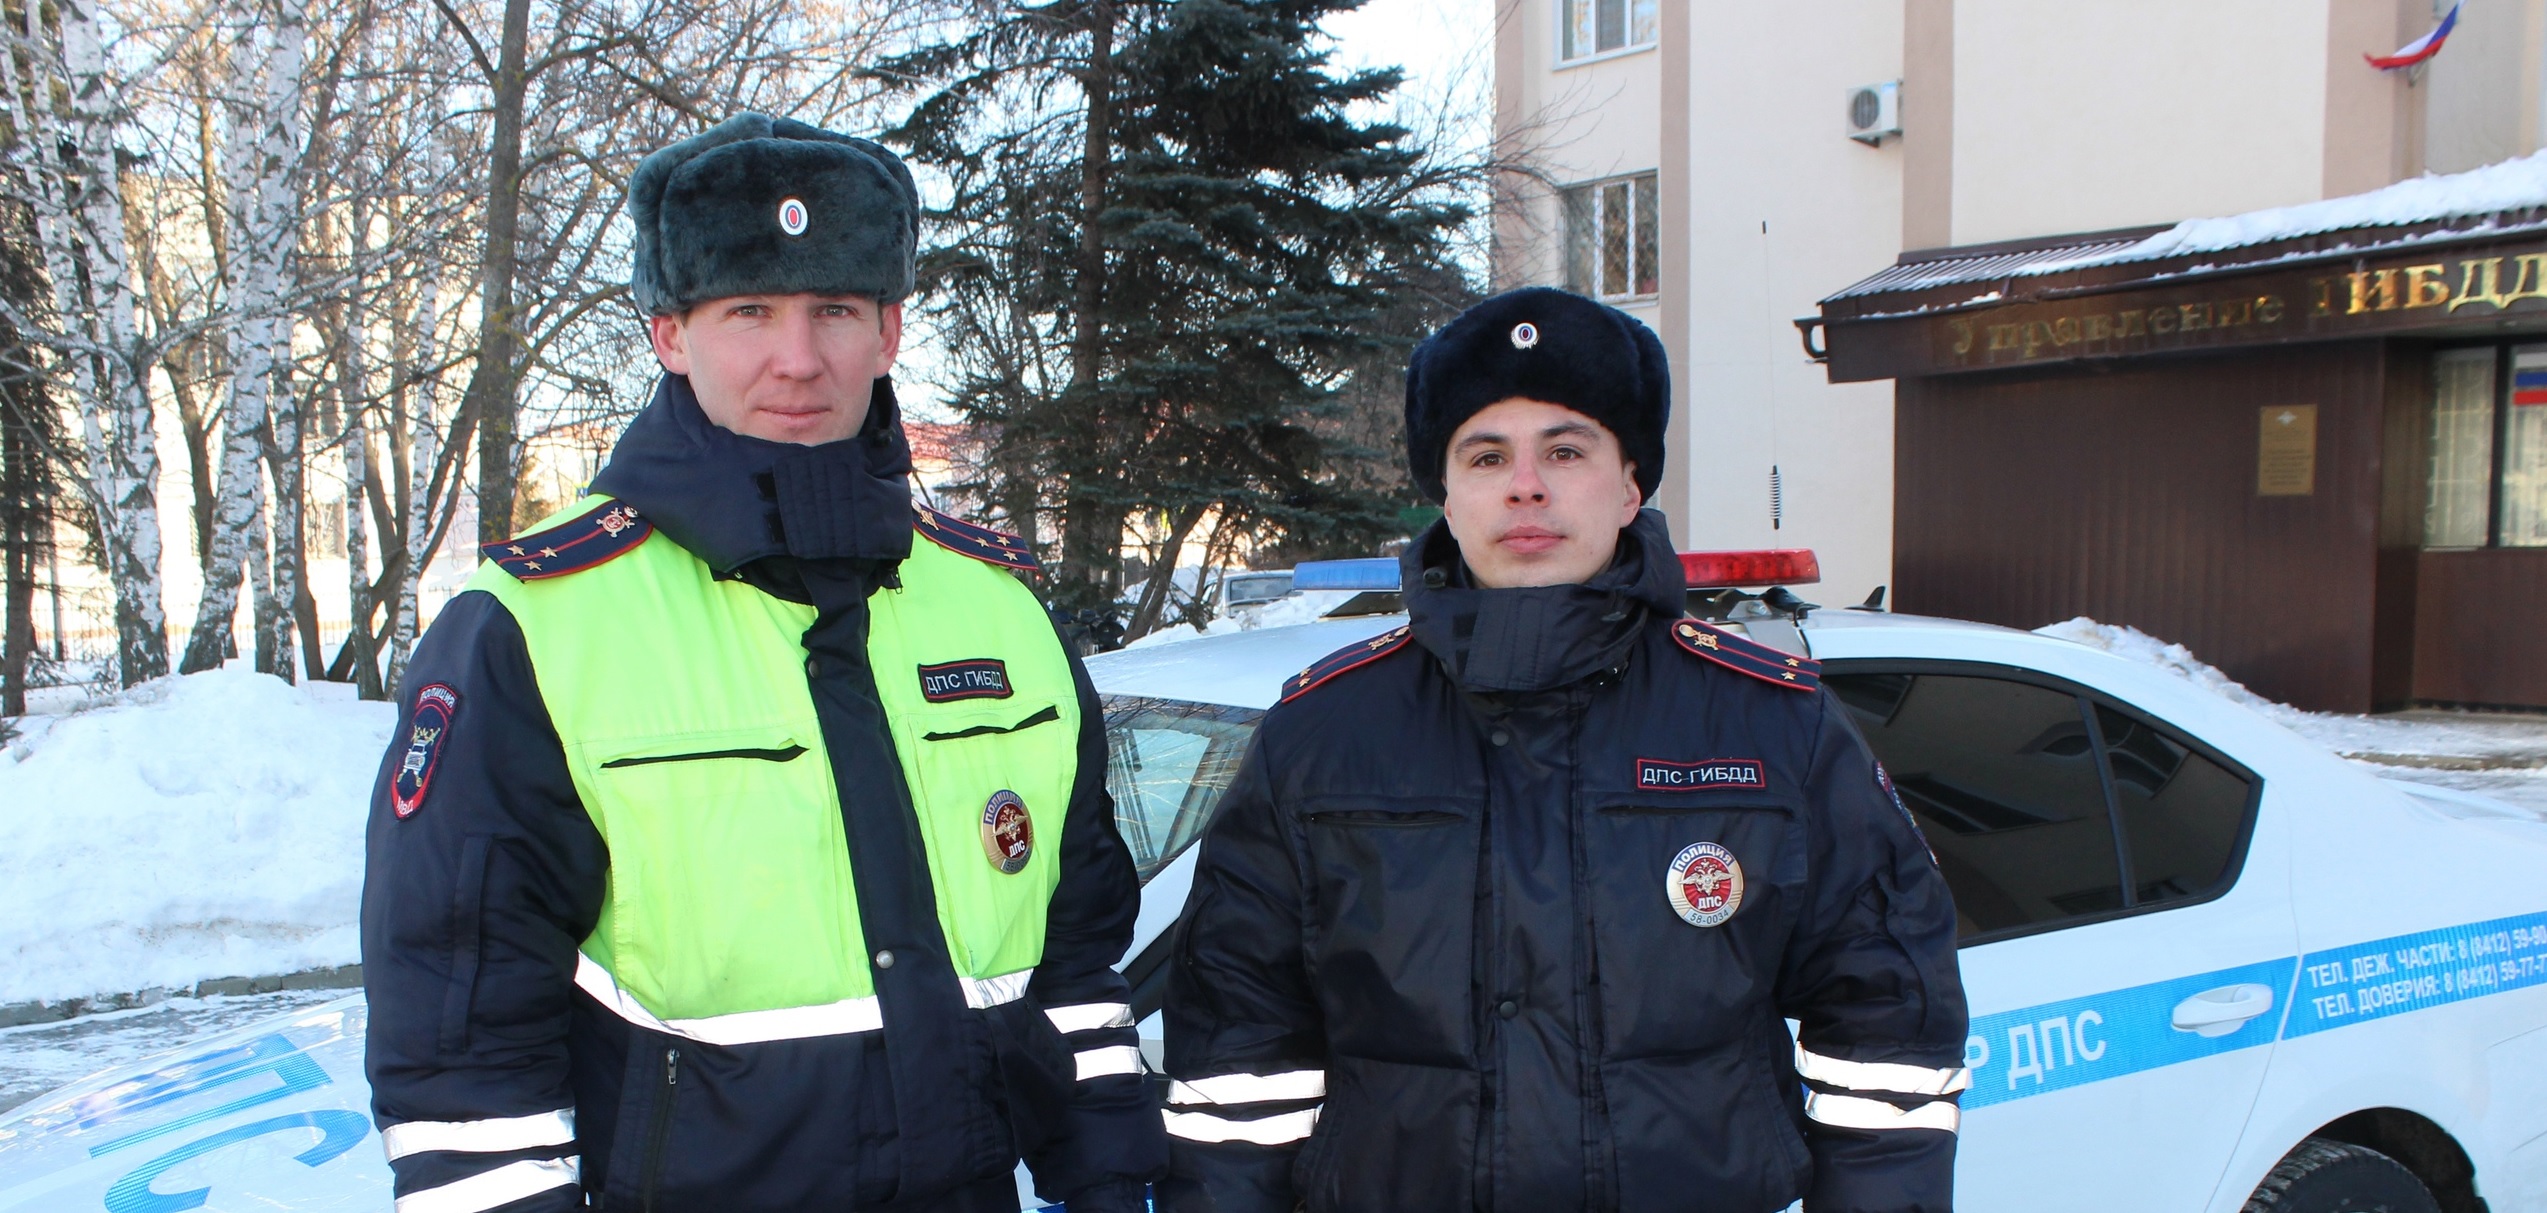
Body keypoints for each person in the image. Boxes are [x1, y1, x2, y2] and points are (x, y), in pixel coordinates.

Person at [361, 114, 1164, 1213]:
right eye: (749, 310)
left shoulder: (1002, 606)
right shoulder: (531, 627)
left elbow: (1073, 967)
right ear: (670, 335)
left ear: (887, 330)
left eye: (834, 308)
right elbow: (459, 1047)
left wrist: (1114, 1186)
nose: (799, 357)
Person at [1158, 287, 1969, 1213]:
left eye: (1566, 449)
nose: (1526, 484)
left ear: (1629, 485)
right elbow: (1237, 1049)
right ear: (1447, 493)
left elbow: (1886, 1018)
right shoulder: (1323, 734)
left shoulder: (1772, 725)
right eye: (1486, 454)